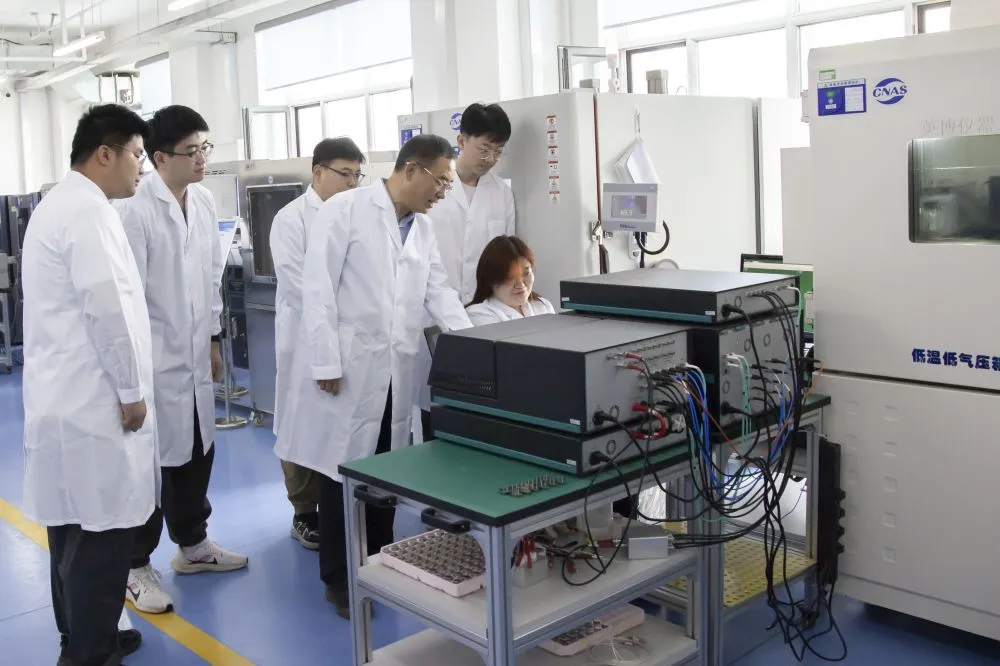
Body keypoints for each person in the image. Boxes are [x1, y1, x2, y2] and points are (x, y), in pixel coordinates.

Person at [274, 134, 472, 618]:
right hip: (348, 370)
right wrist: (325, 360)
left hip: (395, 369)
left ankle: (380, 565)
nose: (443, 192)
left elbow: (438, 291)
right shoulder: (346, 210)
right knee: (342, 474)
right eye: (441, 181)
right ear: (412, 170)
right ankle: (340, 580)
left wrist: (476, 343)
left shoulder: (422, 229)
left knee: (388, 470)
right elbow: (317, 289)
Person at [21, 103, 153, 666]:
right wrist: (130, 391)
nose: (141, 167)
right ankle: (91, 654)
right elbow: (107, 308)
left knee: (71, 536)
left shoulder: (62, 204)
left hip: (65, 400)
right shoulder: (87, 212)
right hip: (93, 403)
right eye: (137, 155)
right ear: (105, 154)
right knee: (101, 538)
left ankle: (80, 638)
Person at [116, 105, 247, 615]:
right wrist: (130, 377)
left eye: (203, 148)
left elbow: (211, 279)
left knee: (197, 452)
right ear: (159, 158)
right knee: (155, 468)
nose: (201, 160)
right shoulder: (135, 209)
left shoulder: (204, 200)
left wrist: (213, 339)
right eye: (191, 151)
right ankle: (135, 566)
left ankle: (193, 545)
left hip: (193, 356)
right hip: (153, 362)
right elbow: (126, 297)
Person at [271, 137, 366, 550]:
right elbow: (301, 288)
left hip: (347, 338)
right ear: (318, 172)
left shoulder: (358, 216)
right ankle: (304, 512)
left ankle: (339, 506)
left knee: (336, 426)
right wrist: (339, 320)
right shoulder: (291, 219)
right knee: (300, 423)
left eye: (358, 175)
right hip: (303, 338)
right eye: (345, 174)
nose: (352, 183)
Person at [416, 102, 514, 437]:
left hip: (483, 316)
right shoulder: (434, 189)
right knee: (433, 407)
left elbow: (505, 256)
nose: (490, 158)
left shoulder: (501, 193)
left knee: (477, 411)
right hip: (430, 314)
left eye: (497, 151)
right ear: (461, 140)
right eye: (484, 149)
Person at [465, 235, 555, 325]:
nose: (520, 285)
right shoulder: (478, 314)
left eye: (526, 273)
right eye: (510, 277)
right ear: (490, 280)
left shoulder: (543, 306)